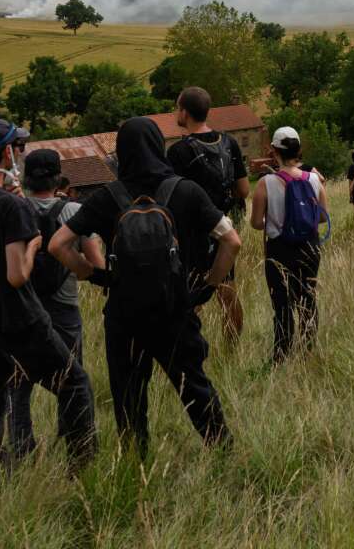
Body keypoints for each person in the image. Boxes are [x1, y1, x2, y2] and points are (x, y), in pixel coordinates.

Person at [49, 117, 240, 456]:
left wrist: (96, 275)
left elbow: (58, 245)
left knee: (129, 395)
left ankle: (137, 464)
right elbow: (232, 241)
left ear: (122, 151)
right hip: (176, 310)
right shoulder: (185, 190)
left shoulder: (108, 197)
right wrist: (207, 287)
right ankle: (223, 451)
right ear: (158, 145)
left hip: (124, 315)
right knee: (194, 385)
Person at [0, 119, 96, 468]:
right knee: (74, 383)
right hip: (22, 320)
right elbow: (17, 276)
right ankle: (81, 465)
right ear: (6, 153)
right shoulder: (13, 207)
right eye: (18, 148)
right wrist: (33, 244)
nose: (20, 154)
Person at [14, 147, 104, 448]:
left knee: (19, 382)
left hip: (24, 308)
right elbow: (94, 263)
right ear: (58, 178)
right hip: (64, 307)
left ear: (27, 180)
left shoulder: (14, 209)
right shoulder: (74, 212)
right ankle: (75, 442)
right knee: (70, 376)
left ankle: (22, 446)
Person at [166, 86, 250, 343]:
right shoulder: (229, 142)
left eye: (177, 108)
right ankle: (232, 347)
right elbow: (244, 189)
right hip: (223, 227)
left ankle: (189, 348)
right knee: (226, 288)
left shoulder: (178, 152)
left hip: (191, 232)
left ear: (185, 112)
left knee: (191, 293)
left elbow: (173, 197)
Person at [250, 126, 328, 362]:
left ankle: (281, 354)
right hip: (310, 247)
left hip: (279, 249)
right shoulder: (314, 179)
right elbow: (323, 217)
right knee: (307, 297)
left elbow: (255, 223)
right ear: (299, 149)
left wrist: (273, 218)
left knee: (282, 304)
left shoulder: (266, 183)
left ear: (274, 151)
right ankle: (308, 351)